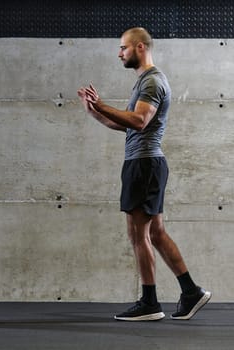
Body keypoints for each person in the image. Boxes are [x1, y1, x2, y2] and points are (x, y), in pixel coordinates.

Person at [78, 27, 211, 321]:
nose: (119, 53)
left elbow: (139, 121)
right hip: (144, 163)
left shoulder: (152, 82)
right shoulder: (145, 82)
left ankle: (150, 303)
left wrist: (101, 104)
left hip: (145, 165)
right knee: (156, 233)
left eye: (123, 48)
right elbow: (127, 125)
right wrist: (96, 113)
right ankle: (191, 292)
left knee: (138, 234)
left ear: (140, 47)